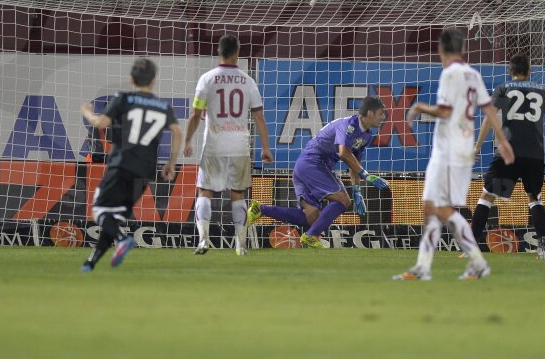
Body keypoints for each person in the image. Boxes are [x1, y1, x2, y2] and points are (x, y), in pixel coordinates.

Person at [394, 27, 514, 282]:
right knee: (432, 207)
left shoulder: (450, 74)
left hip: (448, 149)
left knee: (441, 209)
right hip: (462, 149)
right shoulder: (472, 74)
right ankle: (423, 267)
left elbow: (445, 111)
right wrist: (502, 141)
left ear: (440, 49)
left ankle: (478, 262)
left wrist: (418, 106)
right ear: (462, 49)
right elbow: (489, 109)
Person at [246, 96, 388, 248]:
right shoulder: (348, 125)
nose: (383, 117)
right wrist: (365, 175)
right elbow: (343, 153)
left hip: (305, 166)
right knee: (343, 200)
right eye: (381, 113)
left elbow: (354, 163)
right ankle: (311, 236)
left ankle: (260, 209)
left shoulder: (366, 135)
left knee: (312, 218)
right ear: (370, 113)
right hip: (313, 163)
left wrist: (357, 190)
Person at [81, 58, 182, 272]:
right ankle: (90, 264)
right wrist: (171, 164)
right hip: (145, 171)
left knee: (99, 210)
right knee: (114, 217)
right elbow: (177, 131)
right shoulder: (163, 106)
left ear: (131, 79)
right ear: (153, 81)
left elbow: (100, 124)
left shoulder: (123, 98)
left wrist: (87, 111)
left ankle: (121, 239)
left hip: (122, 164)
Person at [183, 34, 272, 256]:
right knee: (238, 194)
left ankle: (203, 240)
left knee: (205, 191)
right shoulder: (247, 80)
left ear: (219, 52)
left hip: (214, 144)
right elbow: (259, 117)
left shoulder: (207, 79)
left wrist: (187, 140)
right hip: (239, 145)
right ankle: (241, 245)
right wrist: (265, 148)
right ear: (237, 52)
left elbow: (195, 114)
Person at [471, 53, 545, 259]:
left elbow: (489, 117)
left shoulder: (503, 89)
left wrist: (477, 147)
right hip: (534, 155)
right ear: (529, 71)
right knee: (535, 198)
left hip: (508, 154)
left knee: (488, 196)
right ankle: (542, 248)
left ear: (510, 71)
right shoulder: (542, 90)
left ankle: (471, 248)